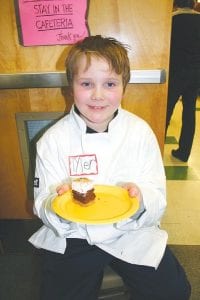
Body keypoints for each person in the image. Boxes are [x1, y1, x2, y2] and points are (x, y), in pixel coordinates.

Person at [29, 35, 191, 300]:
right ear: (70, 87)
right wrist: (54, 204)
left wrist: (140, 199)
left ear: (124, 87)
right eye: (86, 83)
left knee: (174, 291)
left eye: (110, 84)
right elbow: (41, 203)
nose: (97, 95)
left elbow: (157, 196)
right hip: (74, 236)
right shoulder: (53, 140)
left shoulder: (139, 132)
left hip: (130, 231)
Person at [166, 0, 200, 162]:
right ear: (193, 4)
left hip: (175, 72)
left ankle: (157, 147)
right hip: (196, 74)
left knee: (167, 111)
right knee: (189, 111)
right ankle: (184, 152)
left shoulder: (171, 20)